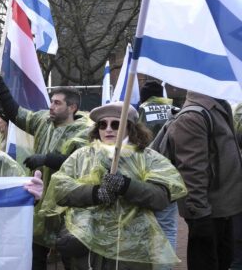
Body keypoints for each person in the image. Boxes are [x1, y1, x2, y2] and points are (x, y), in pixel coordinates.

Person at [41, 102, 187, 269]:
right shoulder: (82, 156)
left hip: (131, 250)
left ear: (130, 128)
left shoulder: (149, 158)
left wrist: (126, 186)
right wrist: (96, 193)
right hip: (88, 253)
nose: (108, 129)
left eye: (116, 124)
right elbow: (60, 189)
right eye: (103, 124)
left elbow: (160, 197)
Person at [0, 74, 91, 269]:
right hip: (40, 205)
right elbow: (17, 113)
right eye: (51, 102)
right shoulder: (43, 122)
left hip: (68, 209)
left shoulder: (86, 131)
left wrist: (47, 159)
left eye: (57, 103)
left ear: (72, 107)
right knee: (35, 259)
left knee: (71, 261)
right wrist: (1, 89)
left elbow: (79, 164)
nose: (51, 107)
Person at [166, 91, 242, 270]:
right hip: (208, 212)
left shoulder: (217, 106)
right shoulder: (194, 116)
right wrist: (200, 215)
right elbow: (192, 171)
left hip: (222, 209)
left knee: (223, 262)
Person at [136, 80, 180, 257]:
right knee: (168, 226)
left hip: (144, 172)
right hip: (171, 174)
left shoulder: (140, 111)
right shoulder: (176, 111)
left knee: (145, 223)